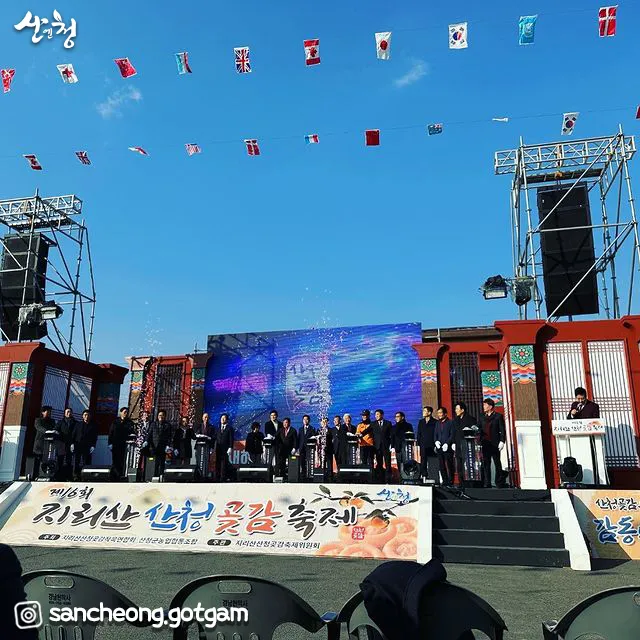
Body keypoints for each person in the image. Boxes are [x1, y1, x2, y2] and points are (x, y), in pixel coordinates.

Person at [479, 399, 506, 488]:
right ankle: (487, 483)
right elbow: (479, 427)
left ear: (490, 406)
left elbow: (502, 430)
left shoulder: (498, 416)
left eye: (485, 405)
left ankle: (499, 482)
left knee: (497, 462)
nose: (483, 407)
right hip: (485, 443)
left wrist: (502, 441)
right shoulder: (482, 416)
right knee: (486, 463)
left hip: (495, 443)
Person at [452, 402, 479, 488]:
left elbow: (475, 431)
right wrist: (453, 442)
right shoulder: (455, 420)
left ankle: (470, 483)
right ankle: (461, 483)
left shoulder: (471, 419)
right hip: (458, 445)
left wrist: (471, 430)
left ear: (462, 410)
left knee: (468, 465)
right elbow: (453, 432)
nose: (456, 410)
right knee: (459, 465)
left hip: (468, 445)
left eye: (457, 409)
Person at [108, 407, 135, 480]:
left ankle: (121, 475)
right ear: (121, 412)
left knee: (123, 460)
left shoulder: (130, 422)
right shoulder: (115, 422)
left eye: (127, 412)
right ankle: (114, 476)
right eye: (124, 412)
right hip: (115, 443)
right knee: (115, 460)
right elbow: (111, 433)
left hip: (124, 444)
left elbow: (132, 432)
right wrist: (110, 443)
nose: (126, 413)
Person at [71, 409, 97, 479]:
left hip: (87, 446)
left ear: (90, 416)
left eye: (88, 415)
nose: (86, 416)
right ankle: (75, 476)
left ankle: (86, 476)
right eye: (85, 415)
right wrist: (72, 444)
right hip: (78, 445)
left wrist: (93, 446)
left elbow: (94, 437)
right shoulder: (78, 424)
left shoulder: (93, 426)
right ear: (82, 416)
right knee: (76, 461)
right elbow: (73, 435)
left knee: (87, 461)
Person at [32, 405, 56, 479]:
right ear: (43, 412)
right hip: (40, 444)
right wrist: (46, 431)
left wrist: (55, 431)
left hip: (49, 444)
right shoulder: (38, 420)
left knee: (47, 460)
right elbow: (39, 427)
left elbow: (55, 428)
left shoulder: (52, 421)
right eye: (47, 411)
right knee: (38, 460)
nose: (49, 413)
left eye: (50, 412)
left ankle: (46, 475)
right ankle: (36, 476)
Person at [148, 410, 173, 477]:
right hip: (154, 446)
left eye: (162, 415)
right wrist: (147, 442)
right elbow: (149, 434)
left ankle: (161, 476)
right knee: (154, 462)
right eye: (159, 415)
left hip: (163, 446)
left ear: (165, 416)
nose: (161, 417)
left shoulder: (168, 425)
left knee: (162, 462)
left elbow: (169, 436)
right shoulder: (153, 424)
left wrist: (168, 445)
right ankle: (153, 476)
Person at [434, 407, 454, 486]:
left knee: (449, 464)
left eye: (440, 413)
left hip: (447, 447)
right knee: (441, 465)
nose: (439, 415)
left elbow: (452, 435)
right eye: (438, 413)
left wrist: (447, 443)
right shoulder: (437, 423)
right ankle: (444, 481)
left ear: (445, 414)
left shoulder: (450, 422)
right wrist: (436, 441)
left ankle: (451, 481)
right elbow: (435, 434)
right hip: (439, 447)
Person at [417, 406, 438, 482]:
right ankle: (424, 476)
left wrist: (435, 444)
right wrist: (419, 443)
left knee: (432, 462)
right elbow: (419, 433)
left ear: (429, 412)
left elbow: (436, 433)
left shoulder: (435, 422)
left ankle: (434, 478)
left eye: (425, 411)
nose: (423, 412)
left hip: (432, 445)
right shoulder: (421, 422)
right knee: (423, 461)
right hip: (423, 445)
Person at [372, 409, 393, 482]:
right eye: (375, 415)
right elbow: (368, 431)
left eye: (378, 414)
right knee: (379, 463)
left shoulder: (388, 423)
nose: (376, 416)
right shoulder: (373, 424)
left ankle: (388, 479)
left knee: (388, 463)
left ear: (382, 415)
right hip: (377, 447)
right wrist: (361, 434)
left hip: (386, 446)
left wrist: (391, 445)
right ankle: (380, 479)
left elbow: (391, 435)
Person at [57, 407, 77, 479]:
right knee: (60, 459)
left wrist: (74, 443)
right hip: (62, 443)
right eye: (67, 412)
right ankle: (59, 476)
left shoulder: (75, 422)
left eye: (70, 412)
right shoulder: (60, 422)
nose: (69, 413)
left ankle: (69, 476)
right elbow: (56, 430)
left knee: (69, 460)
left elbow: (77, 433)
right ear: (65, 413)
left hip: (71, 443)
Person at [215, 413, 234, 481]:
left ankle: (223, 477)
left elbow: (231, 438)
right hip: (218, 448)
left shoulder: (230, 428)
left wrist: (230, 447)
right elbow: (215, 438)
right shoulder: (218, 428)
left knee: (224, 462)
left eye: (224, 418)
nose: (222, 419)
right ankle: (217, 477)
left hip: (225, 448)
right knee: (218, 462)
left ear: (227, 420)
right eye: (221, 418)